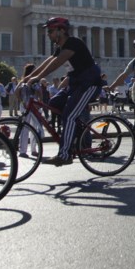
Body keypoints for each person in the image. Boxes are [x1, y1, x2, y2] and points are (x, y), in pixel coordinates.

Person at [21, 17, 102, 166]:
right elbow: (49, 60)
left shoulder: (73, 43)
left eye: (51, 31)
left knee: (69, 116)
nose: (48, 34)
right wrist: (28, 77)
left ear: (61, 31)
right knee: (54, 102)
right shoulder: (60, 47)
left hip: (89, 84)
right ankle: (73, 136)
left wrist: (38, 77)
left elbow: (56, 63)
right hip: (76, 85)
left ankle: (65, 155)